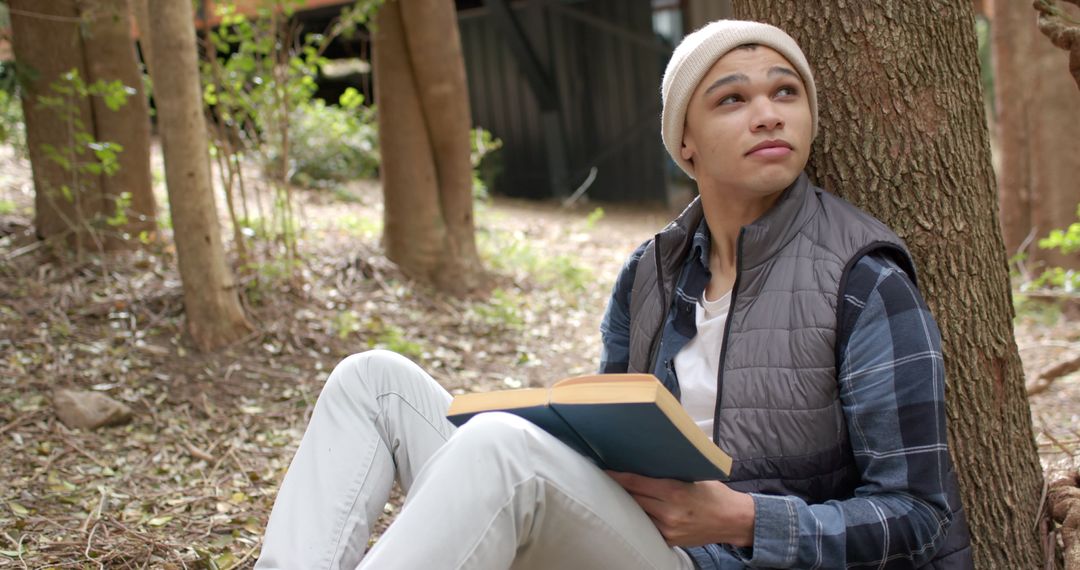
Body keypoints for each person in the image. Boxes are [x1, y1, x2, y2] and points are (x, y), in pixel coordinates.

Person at [255, 20, 974, 569]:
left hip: (730, 560)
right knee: (372, 381)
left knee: (502, 450)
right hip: (635, 537)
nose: (768, 114)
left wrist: (742, 519)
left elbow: (919, 512)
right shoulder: (651, 273)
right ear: (685, 143)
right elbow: (609, 429)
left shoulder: (864, 280)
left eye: (786, 92)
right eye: (733, 99)